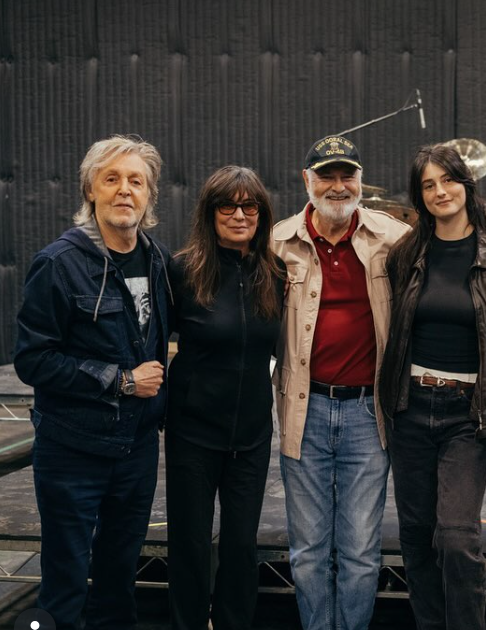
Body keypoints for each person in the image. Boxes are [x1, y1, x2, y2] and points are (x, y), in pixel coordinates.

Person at [271, 134, 486, 630]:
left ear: (362, 182)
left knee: (387, 547)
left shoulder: (395, 239)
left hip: (381, 411)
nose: (338, 186)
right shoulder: (279, 243)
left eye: (348, 176)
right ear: (307, 181)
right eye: (327, 175)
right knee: (315, 550)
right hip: (319, 410)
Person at [14, 135, 170, 630]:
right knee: (65, 580)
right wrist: (122, 381)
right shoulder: (58, 263)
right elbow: (33, 360)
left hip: (136, 450)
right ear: (90, 190)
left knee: (119, 579)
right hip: (73, 451)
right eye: (112, 179)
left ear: (149, 196)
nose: (125, 190)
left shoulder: (159, 261)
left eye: (136, 181)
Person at [378, 144, 486, 630]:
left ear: (467, 184)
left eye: (448, 180)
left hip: (467, 411)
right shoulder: (406, 253)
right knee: (417, 537)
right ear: (420, 196)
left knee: (458, 537)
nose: (440, 191)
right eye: (428, 184)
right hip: (410, 405)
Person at [164, 166, 285, 630]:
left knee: (240, 545)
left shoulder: (275, 273)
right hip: (193, 434)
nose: (239, 215)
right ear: (210, 213)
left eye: (249, 206)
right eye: (227, 206)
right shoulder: (183, 270)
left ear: (261, 213)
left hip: (251, 436)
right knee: (190, 545)